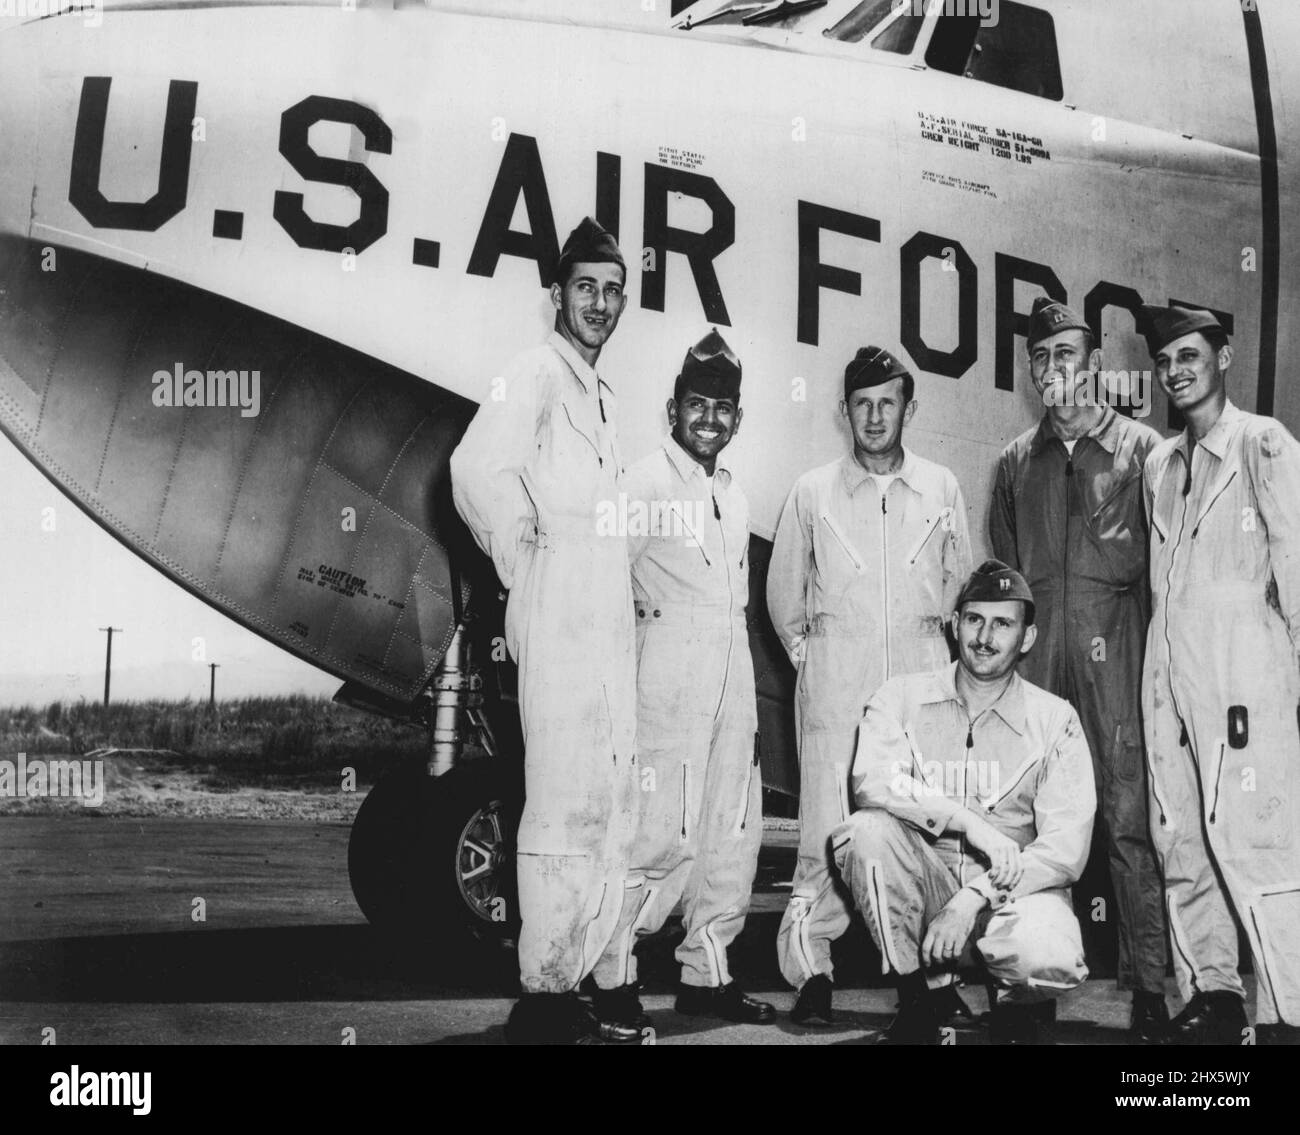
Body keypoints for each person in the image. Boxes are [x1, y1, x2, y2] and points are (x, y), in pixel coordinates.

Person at [450, 217, 640, 1045]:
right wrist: (524, 552)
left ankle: (590, 977)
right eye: (585, 288)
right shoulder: (533, 372)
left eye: (612, 291)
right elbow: (472, 468)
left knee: (608, 799)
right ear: (556, 295)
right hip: (560, 606)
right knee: (563, 801)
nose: (599, 303)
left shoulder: (601, 396)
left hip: (604, 618)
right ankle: (546, 994)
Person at [766, 346, 972, 1025]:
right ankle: (812, 971)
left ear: (909, 407)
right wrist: (822, 667)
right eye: (863, 403)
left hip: (917, 699)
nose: (876, 416)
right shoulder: (812, 492)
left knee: (925, 834)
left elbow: (959, 593)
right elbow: (783, 601)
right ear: (844, 411)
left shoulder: (941, 488)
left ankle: (933, 977)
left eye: (889, 402)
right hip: (835, 696)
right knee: (823, 837)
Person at [989, 297, 1168, 1042]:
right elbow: (1005, 584)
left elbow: (1165, 574)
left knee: (1129, 824)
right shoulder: (1013, 464)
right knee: (1027, 824)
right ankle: (1023, 986)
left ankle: (1150, 989)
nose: (1053, 368)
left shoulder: (1142, 451)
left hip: (1117, 659)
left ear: (1093, 363)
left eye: (1065, 353)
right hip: (1039, 672)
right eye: (1041, 357)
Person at [591, 329, 776, 1033]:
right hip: (665, 678)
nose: (709, 419)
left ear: (738, 418)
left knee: (731, 832)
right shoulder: (642, 483)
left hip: (731, 676)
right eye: (697, 405)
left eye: (723, 408)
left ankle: (708, 973)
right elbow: (601, 582)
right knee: (654, 833)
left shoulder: (734, 494)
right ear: (673, 410)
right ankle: (612, 974)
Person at [833, 560, 1095, 1045]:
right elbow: (874, 779)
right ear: (955, 625)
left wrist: (974, 897)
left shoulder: (1055, 720)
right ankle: (918, 999)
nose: (985, 637)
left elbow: (1065, 849)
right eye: (975, 619)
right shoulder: (900, 697)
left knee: (1046, 952)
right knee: (865, 833)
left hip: (1011, 897)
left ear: (1028, 638)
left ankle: (1018, 1007)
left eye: (1003, 624)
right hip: (927, 900)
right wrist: (968, 823)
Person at [1140, 303, 1300, 1044]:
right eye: (1164, 361)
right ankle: (1214, 993)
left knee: (1257, 837)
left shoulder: (1263, 443)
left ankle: (1287, 1008)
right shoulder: (1159, 464)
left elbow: (1296, 565)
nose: (1174, 372)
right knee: (1180, 836)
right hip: (1172, 672)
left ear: (1223, 357)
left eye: (1189, 356)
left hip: (1244, 669)